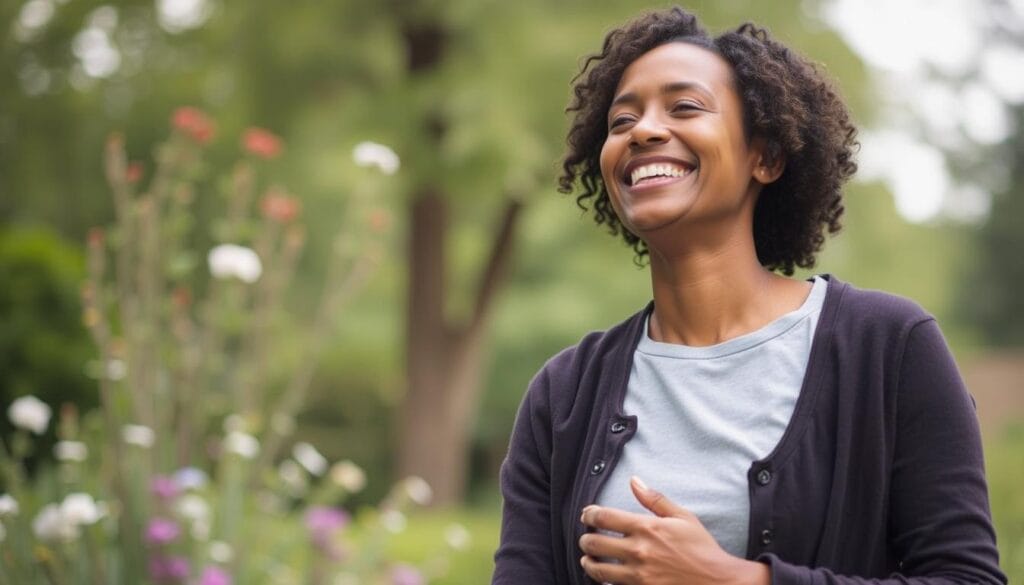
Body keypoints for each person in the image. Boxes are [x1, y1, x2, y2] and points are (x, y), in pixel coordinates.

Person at [491, 6, 1006, 585]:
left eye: (684, 107)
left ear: (767, 156)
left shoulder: (887, 347)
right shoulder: (565, 394)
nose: (642, 131)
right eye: (621, 120)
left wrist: (736, 579)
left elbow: (968, 578)